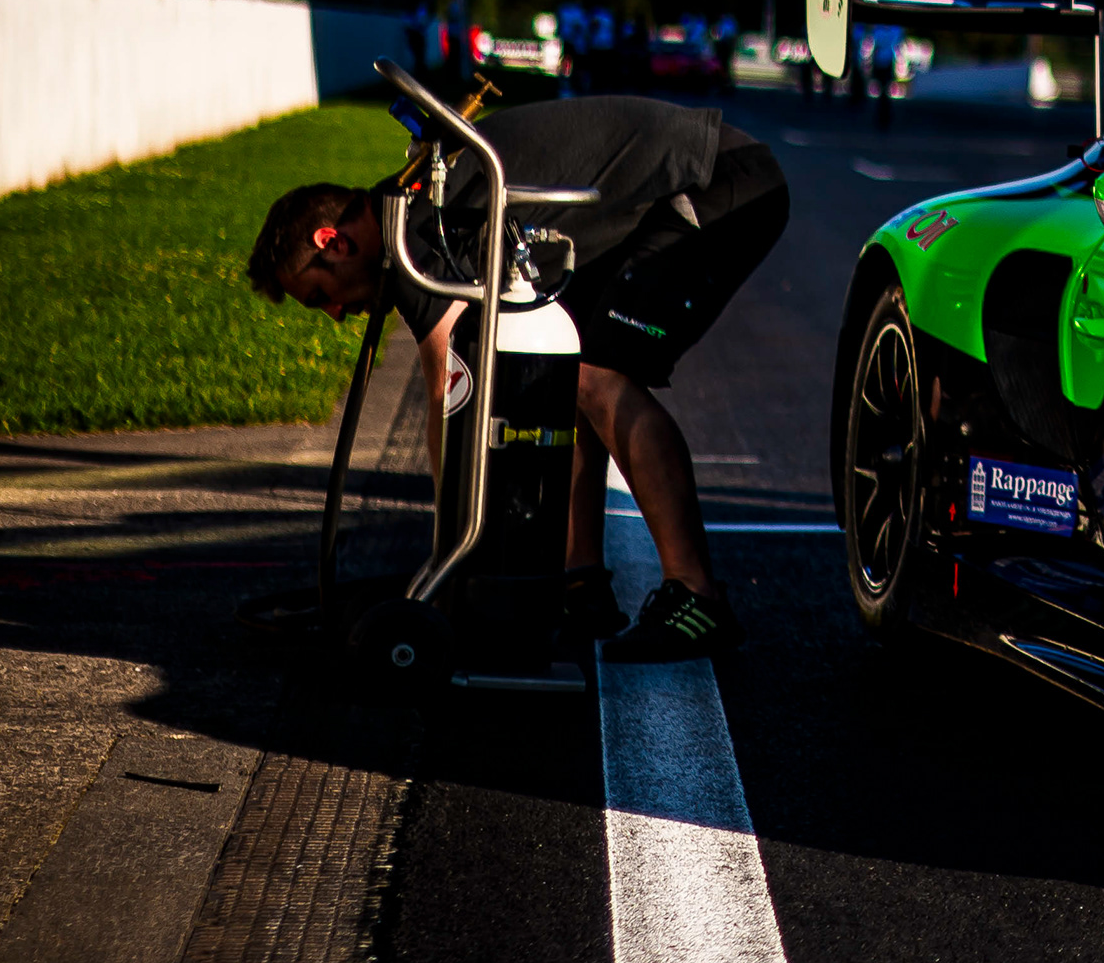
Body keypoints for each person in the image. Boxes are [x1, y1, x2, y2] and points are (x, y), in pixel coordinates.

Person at [245, 95, 791, 659]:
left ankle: (698, 598)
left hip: (717, 181)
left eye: (319, 297)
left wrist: (451, 554)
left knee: (594, 373)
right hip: (687, 181)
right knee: (567, 372)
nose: (335, 315)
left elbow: (449, 397)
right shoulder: (405, 212)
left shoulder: (412, 231)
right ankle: (581, 584)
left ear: (331, 242)